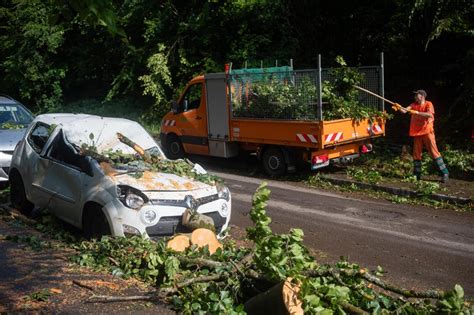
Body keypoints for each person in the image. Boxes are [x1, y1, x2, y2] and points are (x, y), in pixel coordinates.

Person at [395, 90, 449, 183]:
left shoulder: (429, 104)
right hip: (417, 133)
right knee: (416, 153)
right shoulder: (413, 105)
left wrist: (417, 113)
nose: (415, 96)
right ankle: (417, 175)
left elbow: (429, 115)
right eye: (415, 95)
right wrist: (399, 107)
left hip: (427, 131)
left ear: (422, 96)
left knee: (433, 152)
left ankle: (444, 173)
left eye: (417, 95)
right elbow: (404, 111)